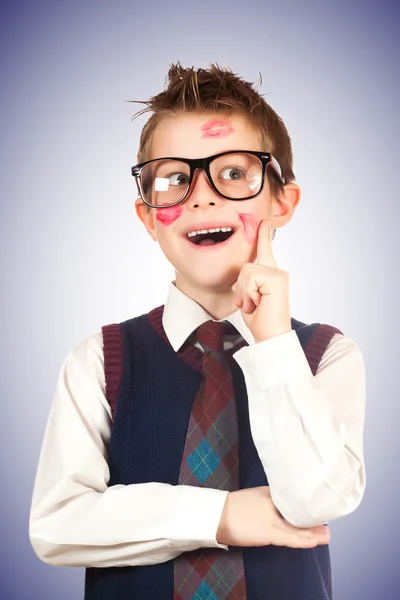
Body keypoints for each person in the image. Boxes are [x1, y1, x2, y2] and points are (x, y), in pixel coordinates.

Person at [29, 63, 366, 600]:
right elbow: (57, 526)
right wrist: (221, 515)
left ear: (283, 202)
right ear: (146, 216)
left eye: (233, 173)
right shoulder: (100, 359)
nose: (202, 196)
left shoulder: (326, 356)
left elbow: (318, 500)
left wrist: (275, 341)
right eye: (175, 178)